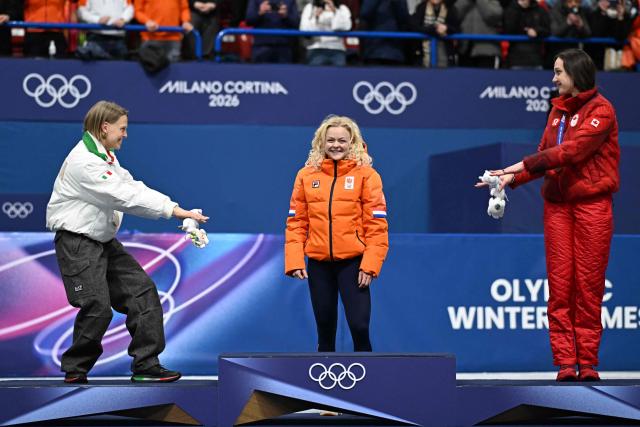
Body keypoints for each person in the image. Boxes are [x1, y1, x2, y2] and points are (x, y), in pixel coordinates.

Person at [476, 49, 619, 382]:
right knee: (560, 286)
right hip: (557, 209)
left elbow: (570, 153)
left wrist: (518, 166)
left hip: (592, 209)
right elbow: (545, 157)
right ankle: (566, 363)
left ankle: (588, 363)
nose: (553, 79)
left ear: (576, 73)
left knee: (588, 287)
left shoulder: (602, 111)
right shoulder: (557, 112)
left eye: (558, 73)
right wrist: (509, 178)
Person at [47, 100, 209, 384]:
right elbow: (124, 196)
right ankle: (76, 368)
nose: (126, 134)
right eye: (122, 129)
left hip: (103, 241)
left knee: (143, 294)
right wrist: (174, 211)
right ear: (104, 127)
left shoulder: (104, 155)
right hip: (77, 243)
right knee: (96, 306)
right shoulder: (83, 162)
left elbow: (133, 186)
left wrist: (175, 207)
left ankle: (146, 365)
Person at [285, 116, 389, 352]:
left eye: (342, 140)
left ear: (352, 142)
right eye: (330, 140)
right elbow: (296, 222)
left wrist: (370, 265)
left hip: (354, 263)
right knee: (325, 330)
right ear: (321, 142)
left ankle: (367, 382)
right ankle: (324, 388)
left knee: (359, 326)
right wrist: (294, 259)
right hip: (319, 264)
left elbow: (377, 226)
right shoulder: (305, 176)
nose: (336, 145)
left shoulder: (368, 176)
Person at [299, 0, 352, 66]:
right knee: (315, 74)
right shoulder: (309, 8)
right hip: (316, 48)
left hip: (337, 49)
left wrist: (335, 11)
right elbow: (304, 29)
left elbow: (346, 27)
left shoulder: (342, 8)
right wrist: (315, 17)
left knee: (339, 74)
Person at [503, 0, 550, 69]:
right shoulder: (511, 8)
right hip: (516, 58)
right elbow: (508, 29)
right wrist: (517, 8)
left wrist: (537, 31)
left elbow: (547, 30)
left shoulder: (540, 10)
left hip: (536, 58)